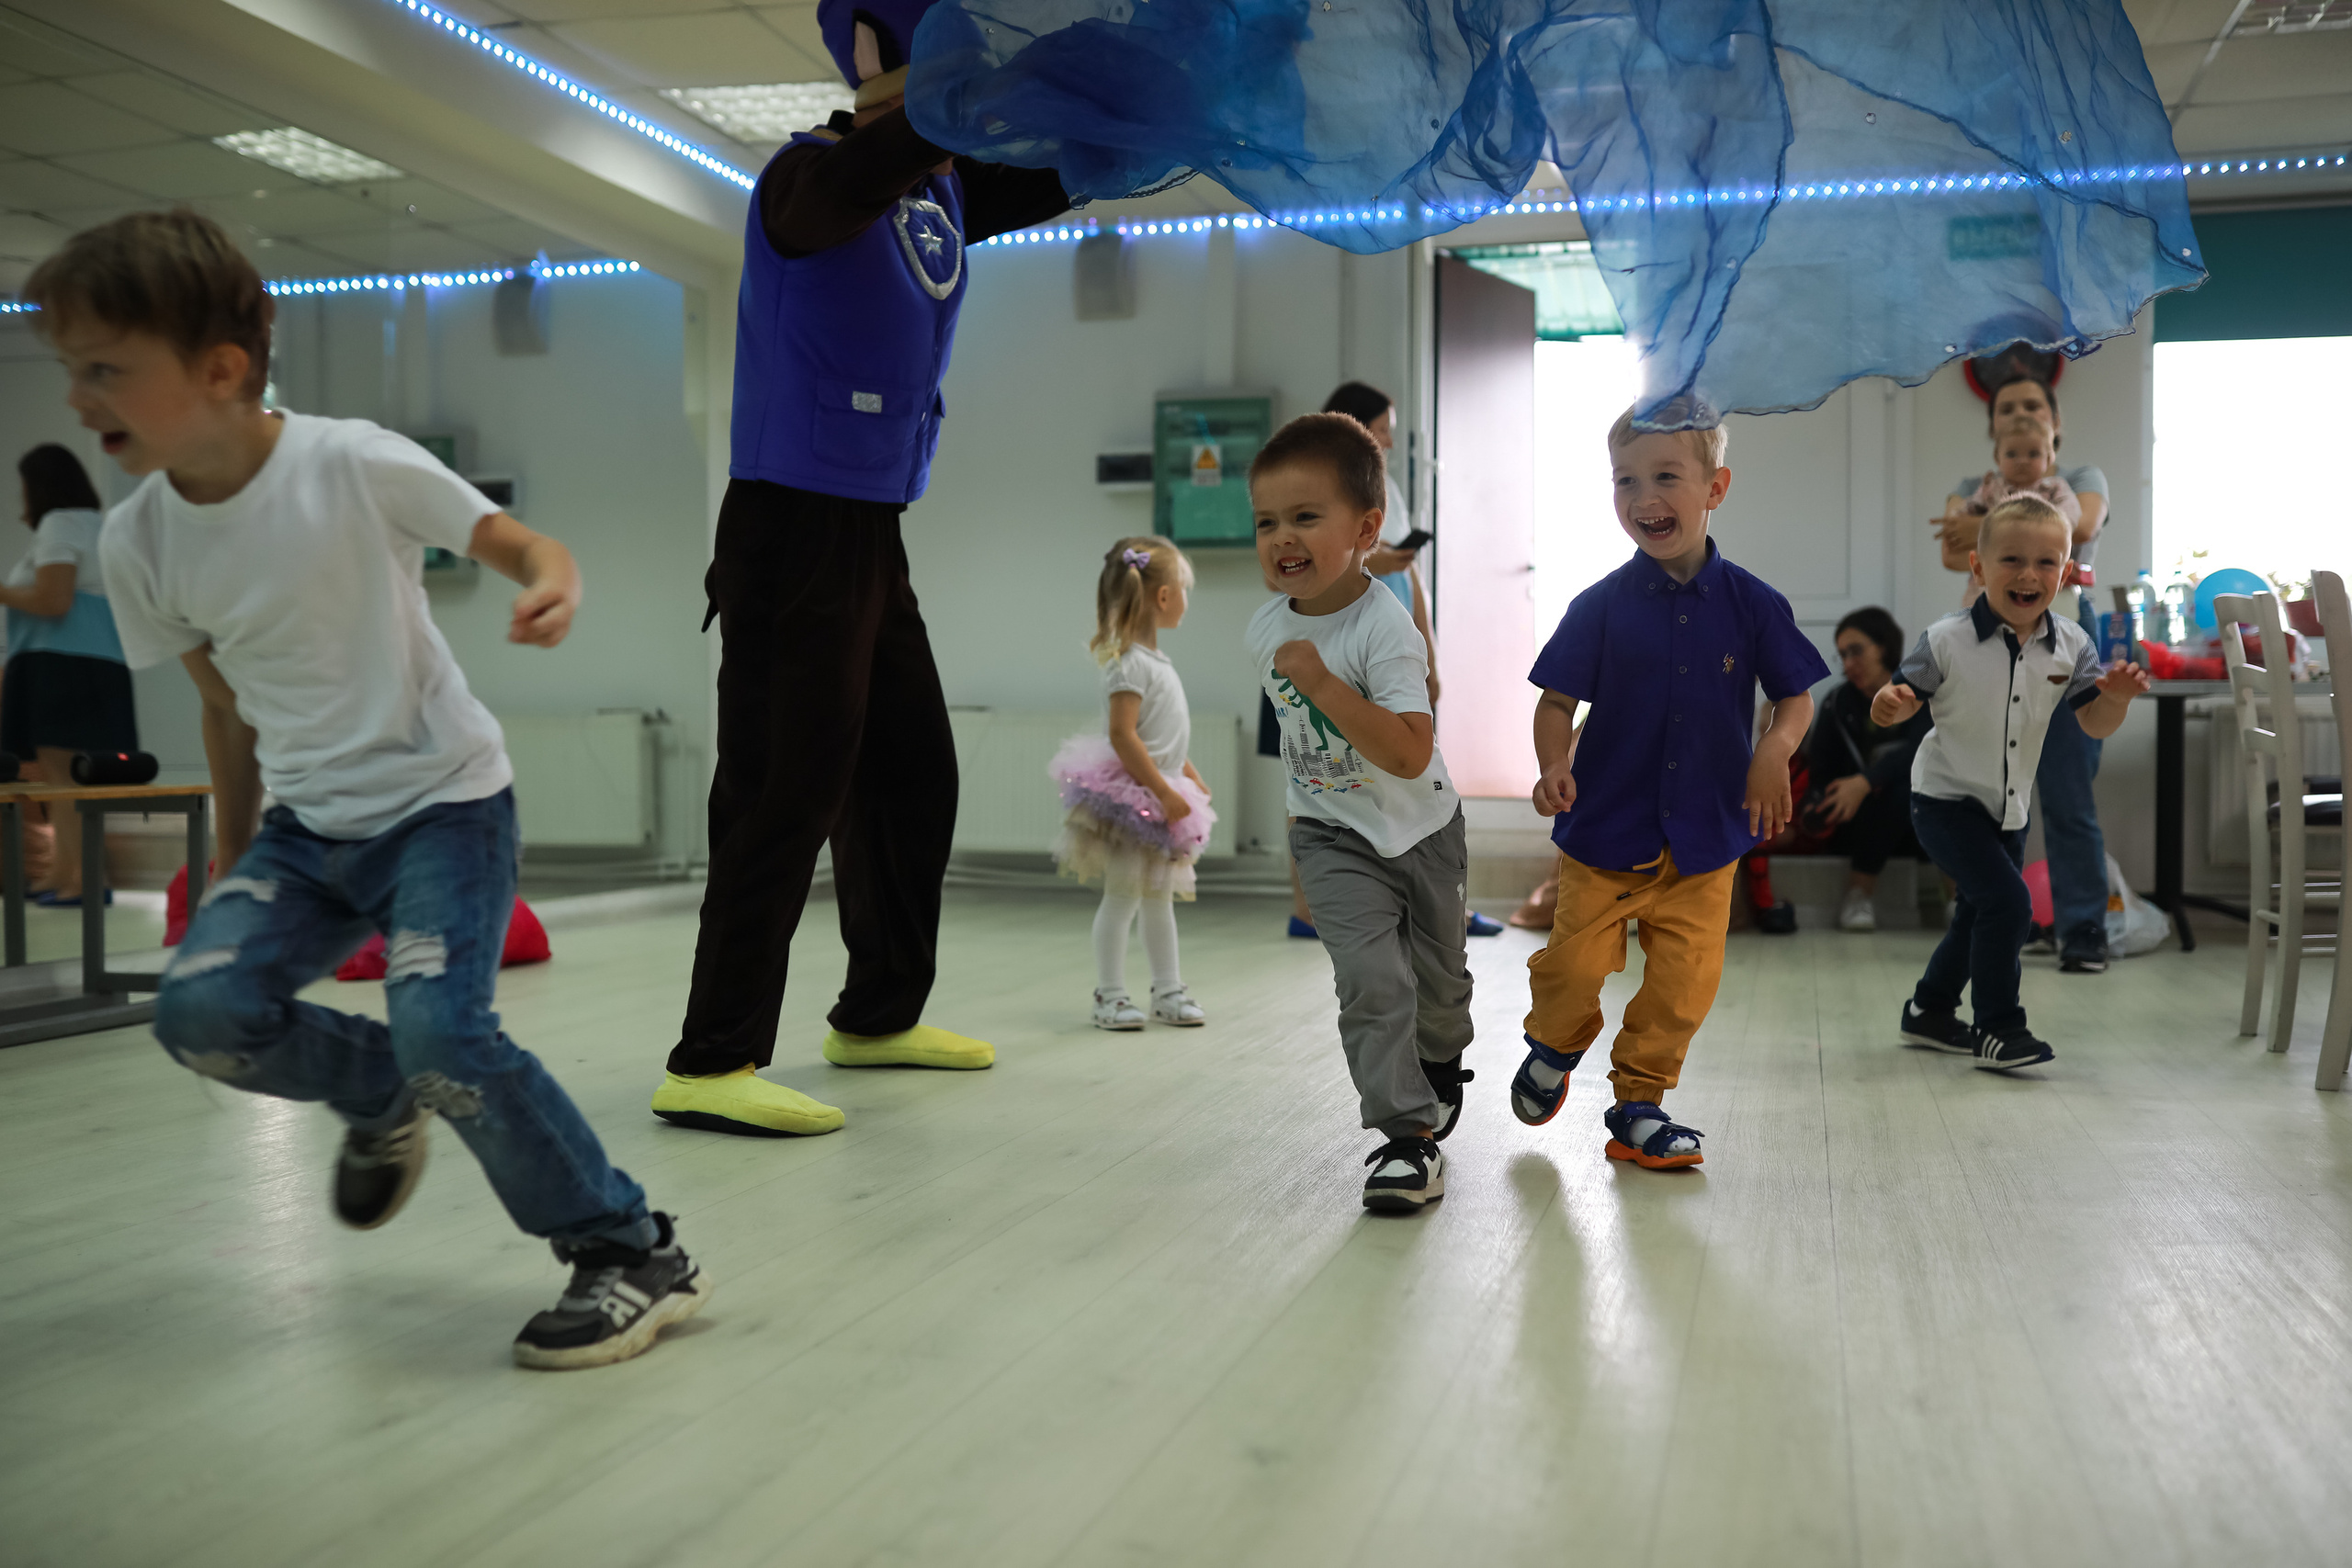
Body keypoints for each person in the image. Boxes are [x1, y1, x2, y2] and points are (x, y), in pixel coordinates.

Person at [31, 209, 705, 1371]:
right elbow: (226, 707)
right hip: (308, 830)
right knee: (198, 1011)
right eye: (71, 372)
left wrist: (554, 587)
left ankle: (630, 1249)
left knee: (447, 1024)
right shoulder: (140, 541)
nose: (79, 400)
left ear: (222, 369)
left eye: (105, 371)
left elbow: (527, 546)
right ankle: (386, 1095)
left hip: (444, 805)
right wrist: (231, 868)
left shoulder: (352, 463)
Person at [650, 0, 1072, 1137]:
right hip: (790, 522)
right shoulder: (806, 176)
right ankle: (711, 1059)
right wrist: (938, 106)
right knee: (784, 786)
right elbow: (860, 179)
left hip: (871, 525)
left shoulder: (940, 190)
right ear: (880, 51)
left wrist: (1178, 98)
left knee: (907, 772)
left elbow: (1073, 165)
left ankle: (877, 1017)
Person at [1512, 402, 1826, 1169]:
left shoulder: (1753, 603)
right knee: (1575, 967)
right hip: (1604, 830)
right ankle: (1556, 1041)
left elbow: (1796, 698)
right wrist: (1555, 763)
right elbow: (1556, 702)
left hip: (1707, 835)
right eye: (1626, 479)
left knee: (1686, 984)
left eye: (1665, 477)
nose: (1643, 496)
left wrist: (1773, 750)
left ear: (1715, 487)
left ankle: (1640, 1104)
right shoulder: (1600, 605)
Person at [1247, 412, 1473, 1213]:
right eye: (1267, 521)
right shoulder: (1266, 630)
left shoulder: (1385, 627)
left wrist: (1322, 684)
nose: (1282, 537)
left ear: (1366, 528)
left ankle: (1442, 1061)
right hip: (1331, 835)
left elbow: (1410, 751)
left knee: (1439, 989)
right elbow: (1299, 752)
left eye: (1306, 517)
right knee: (1372, 982)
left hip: (1421, 830)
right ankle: (1406, 1140)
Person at [1881, 496, 2149, 1072]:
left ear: (2067, 572)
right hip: (1944, 801)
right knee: (2010, 903)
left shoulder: (2074, 645)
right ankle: (1998, 1026)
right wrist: (1891, 704)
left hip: (2009, 809)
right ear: (1978, 569)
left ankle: (1928, 1009)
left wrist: (2117, 701)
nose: (2029, 575)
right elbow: (1902, 700)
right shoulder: (1946, 639)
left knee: (1980, 912)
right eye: (2011, 560)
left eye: (2047, 563)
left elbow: (2091, 721)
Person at [1932, 373, 2113, 973]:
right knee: (1989, 793)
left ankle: (2083, 928)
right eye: (2008, 408)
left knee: (2067, 795)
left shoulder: (2081, 480)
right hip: (1989, 642)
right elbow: (1953, 552)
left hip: (2060, 638)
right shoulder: (1971, 485)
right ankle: (1991, 919)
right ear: (1993, 433)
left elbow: (2078, 530)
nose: (2021, 414)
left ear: (2054, 427)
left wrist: (1986, 527)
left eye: (2034, 405)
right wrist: (1978, 533)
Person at [1049, 536, 1213, 1031]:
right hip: (1135, 799)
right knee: (1122, 897)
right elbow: (1123, 737)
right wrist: (1163, 791)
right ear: (1163, 597)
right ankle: (1111, 995)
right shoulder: (1129, 663)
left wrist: (1186, 775)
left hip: (1161, 789)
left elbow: (1161, 737)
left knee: (1160, 899)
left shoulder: (1156, 662)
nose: (1186, 598)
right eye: (1183, 589)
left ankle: (1167, 989)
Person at [3, 443, 135, 905]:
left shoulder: (61, 524)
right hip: (88, 664)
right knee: (68, 780)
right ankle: (64, 875)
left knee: (63, 780)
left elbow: (53, 600)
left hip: (61, 664)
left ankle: (82, 880)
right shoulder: (96, 526)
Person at [1794, 607, 1934, 932]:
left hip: (1918, 823)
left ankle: (1861, 891)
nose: (1848, 664)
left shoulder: (1917, 696)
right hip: (1854, 825)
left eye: (1856, 651)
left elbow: (1925, 751)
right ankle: (1858, 896)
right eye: (1842, 655)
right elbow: (1820, 771)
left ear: (1883, 646)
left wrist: (1866, 782)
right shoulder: (1837, 704)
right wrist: (1819, 804)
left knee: (1908, 790)